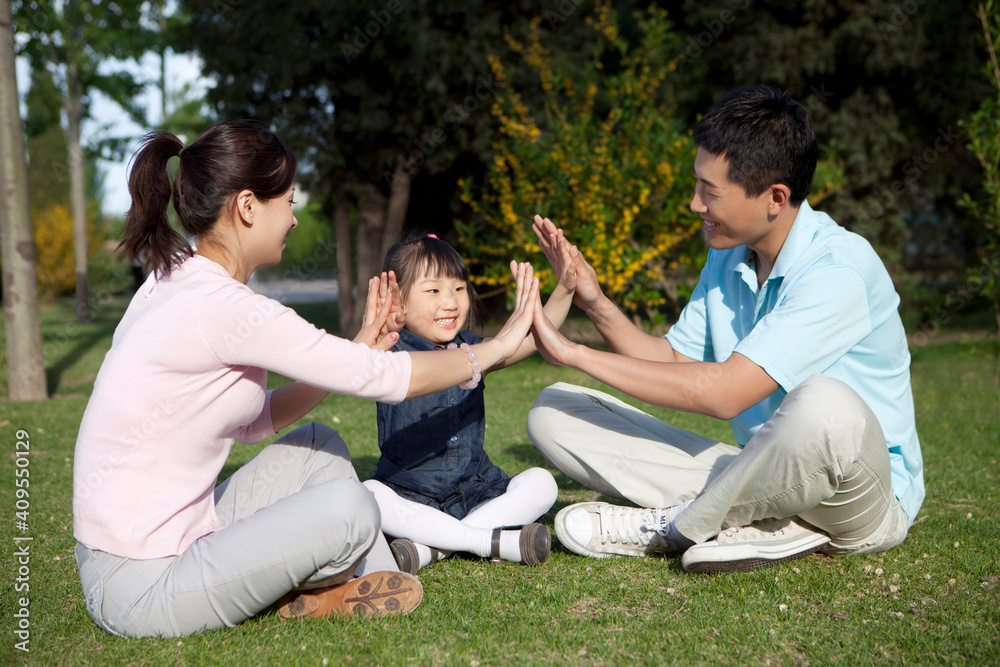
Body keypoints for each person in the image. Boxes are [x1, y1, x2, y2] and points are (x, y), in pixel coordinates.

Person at [72, 121, 540, 638]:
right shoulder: (224, 308)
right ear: (248, 207)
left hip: (174, 536)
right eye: (289, 202)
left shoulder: (175, 278)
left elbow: (254, 422)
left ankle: (371, 580)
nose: (294, 219)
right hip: (140, 584)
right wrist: (492, 348)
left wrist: (358, 349)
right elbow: (385, 379)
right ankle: (365, 574)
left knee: (320, 444)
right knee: (351, 506)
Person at [525, 85, 924, 573]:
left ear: (775, 197)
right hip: (762, 468)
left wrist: (573, 352)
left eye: (709, 191)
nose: (695, 204)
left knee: (825, 403)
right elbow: (673, 362)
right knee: (554, 410)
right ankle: (764, 525)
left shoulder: (839, 270)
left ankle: (677, 525)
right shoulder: (730, 255)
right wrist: (596, 303)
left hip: (858, 493)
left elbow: (725, 394)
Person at [362, 230, 574, 573]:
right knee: (369, 494)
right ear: (397, 300)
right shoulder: (388, 352)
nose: (451, 302)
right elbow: (354, 368)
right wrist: (368, 347)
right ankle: (485, 541)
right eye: (433, 290)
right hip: (410, 493)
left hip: (478, 489)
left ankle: (430, 548)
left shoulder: (472, 349)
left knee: (542, 483)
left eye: (458, 288)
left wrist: (564, 289)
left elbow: (533, 339)